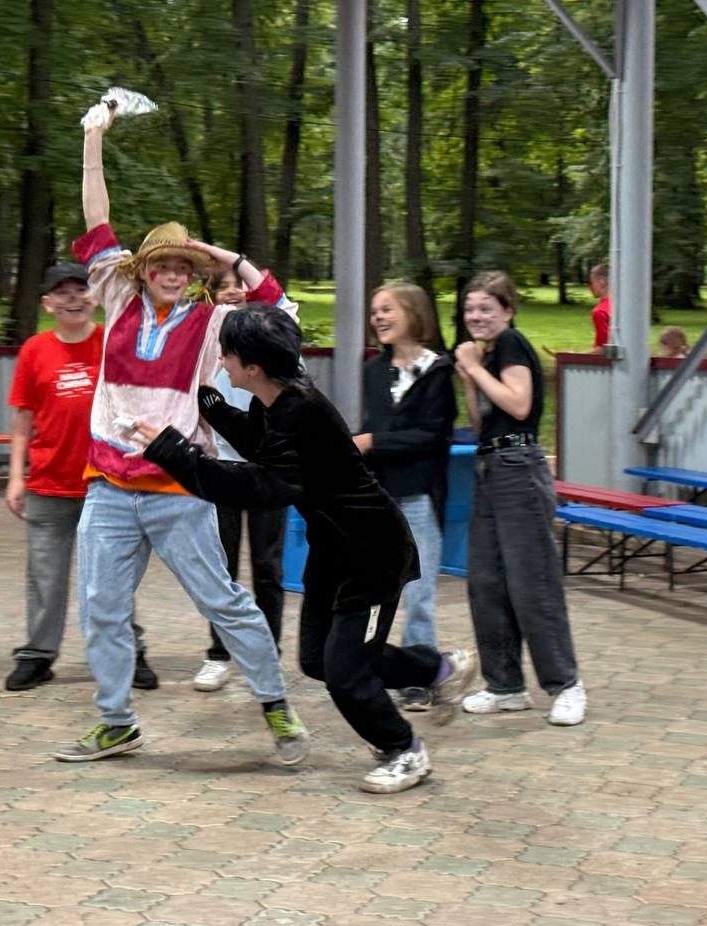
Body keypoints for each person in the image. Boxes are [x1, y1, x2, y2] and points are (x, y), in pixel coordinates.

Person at [135, 302, 477, 794]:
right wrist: (207, 402)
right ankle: (438, 668)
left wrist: (172, 451)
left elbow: (257, 486)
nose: (221, 361)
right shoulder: (275, 399)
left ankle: (404, 749)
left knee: (345, 672)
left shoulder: (302, 412)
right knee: (317, 660)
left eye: (226, 354)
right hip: (334, 552)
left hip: (373, 558)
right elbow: (259, 442)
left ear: (252, 367)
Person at [53, 114, 306, 764]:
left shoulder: (213, 321)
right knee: (101, 607)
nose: (170, 272)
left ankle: (275, 704)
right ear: (142, 271)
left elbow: (279, 311)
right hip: (109, 486)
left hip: (179, 485)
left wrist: (228, 259)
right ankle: (116, 722)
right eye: (161, 264)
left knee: (223, 601)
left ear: (193, 272)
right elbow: (96, 216)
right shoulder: (115, 295)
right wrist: (93, 137)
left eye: (181, 265)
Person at [3, 263, 158, 692]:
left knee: (111, 576)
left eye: (80, 290)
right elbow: (22, 420)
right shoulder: (34, 350)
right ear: (47, 303)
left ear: (95, 297)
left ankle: (128, 651)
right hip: (48, 483)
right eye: (62, 292)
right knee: (45, 576)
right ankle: (38, 654)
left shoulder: (113, 342)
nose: (73, 298)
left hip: (106, 483)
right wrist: (15, 477)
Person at [454, 271, 586, 726]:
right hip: (489, 465)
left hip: (518, 468)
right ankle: (505, 686)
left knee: (533, 583)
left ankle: (565, 684)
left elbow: (519, 405)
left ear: (507, 311)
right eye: (470, 309)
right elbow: (480, 423)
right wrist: (470, 377)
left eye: (486, 308)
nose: (476, 316)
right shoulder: (487, 354)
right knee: (487, 583)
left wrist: (473, 368)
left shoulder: (512, 343)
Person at [355, 283, 456, 711]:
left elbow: (432, 435)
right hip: (378, 499)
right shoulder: (373, 370)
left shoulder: (437, 371)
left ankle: (420, 675)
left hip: (418, 496)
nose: (378, 317)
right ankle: (371, 667)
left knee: (418, 594)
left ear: (413, 314)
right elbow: (372, 425)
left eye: (387, 309)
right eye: (374, 311)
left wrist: (373, 442)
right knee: (371, 593)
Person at [192, 264, 291, 694]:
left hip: (269, 469)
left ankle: (268, 654)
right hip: (223, 467)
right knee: (222, 567)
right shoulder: (201, 340)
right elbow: (192, 396)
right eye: (224, 287)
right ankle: (219, 653)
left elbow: (280, 299)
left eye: (240, 286)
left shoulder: (270, 336)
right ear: (210, 294)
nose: (233, 292)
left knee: (268, 567)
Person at [588, 263, 610, 351]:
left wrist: (572, 356)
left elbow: (604, 349)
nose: (590, 287)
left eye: (592, 282)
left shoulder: (600, 311)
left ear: (602, 282)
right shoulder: (624, 306)